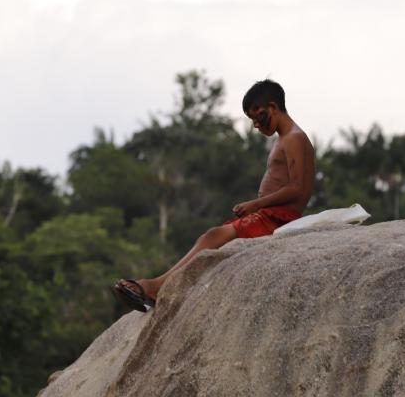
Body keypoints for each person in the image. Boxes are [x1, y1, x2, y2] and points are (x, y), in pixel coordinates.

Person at [113, 79, 316, 312]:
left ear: (273, 107)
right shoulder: (286, 138)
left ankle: (156, 286)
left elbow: (298, 188)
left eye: (258, 116)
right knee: (212, 239)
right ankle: (156, 285)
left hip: (278, 217)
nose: (256, 125)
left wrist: (256, 204)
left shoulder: (294, 138)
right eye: (251, 119)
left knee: (213, 236)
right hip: (268, 215)